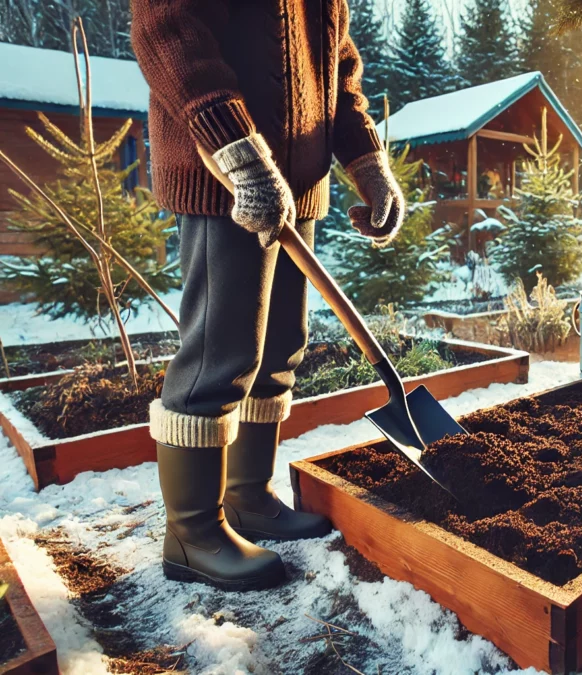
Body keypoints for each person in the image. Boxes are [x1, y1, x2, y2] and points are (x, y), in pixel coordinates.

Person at [130, 0, 405, 591]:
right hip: (228, 181)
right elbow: (168, 31)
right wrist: (237, 153)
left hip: (299, 186)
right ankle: (192, 532)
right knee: (220, 356)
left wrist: (369, 162)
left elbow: (337, 63)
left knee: (280, 348)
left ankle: (248, 497)